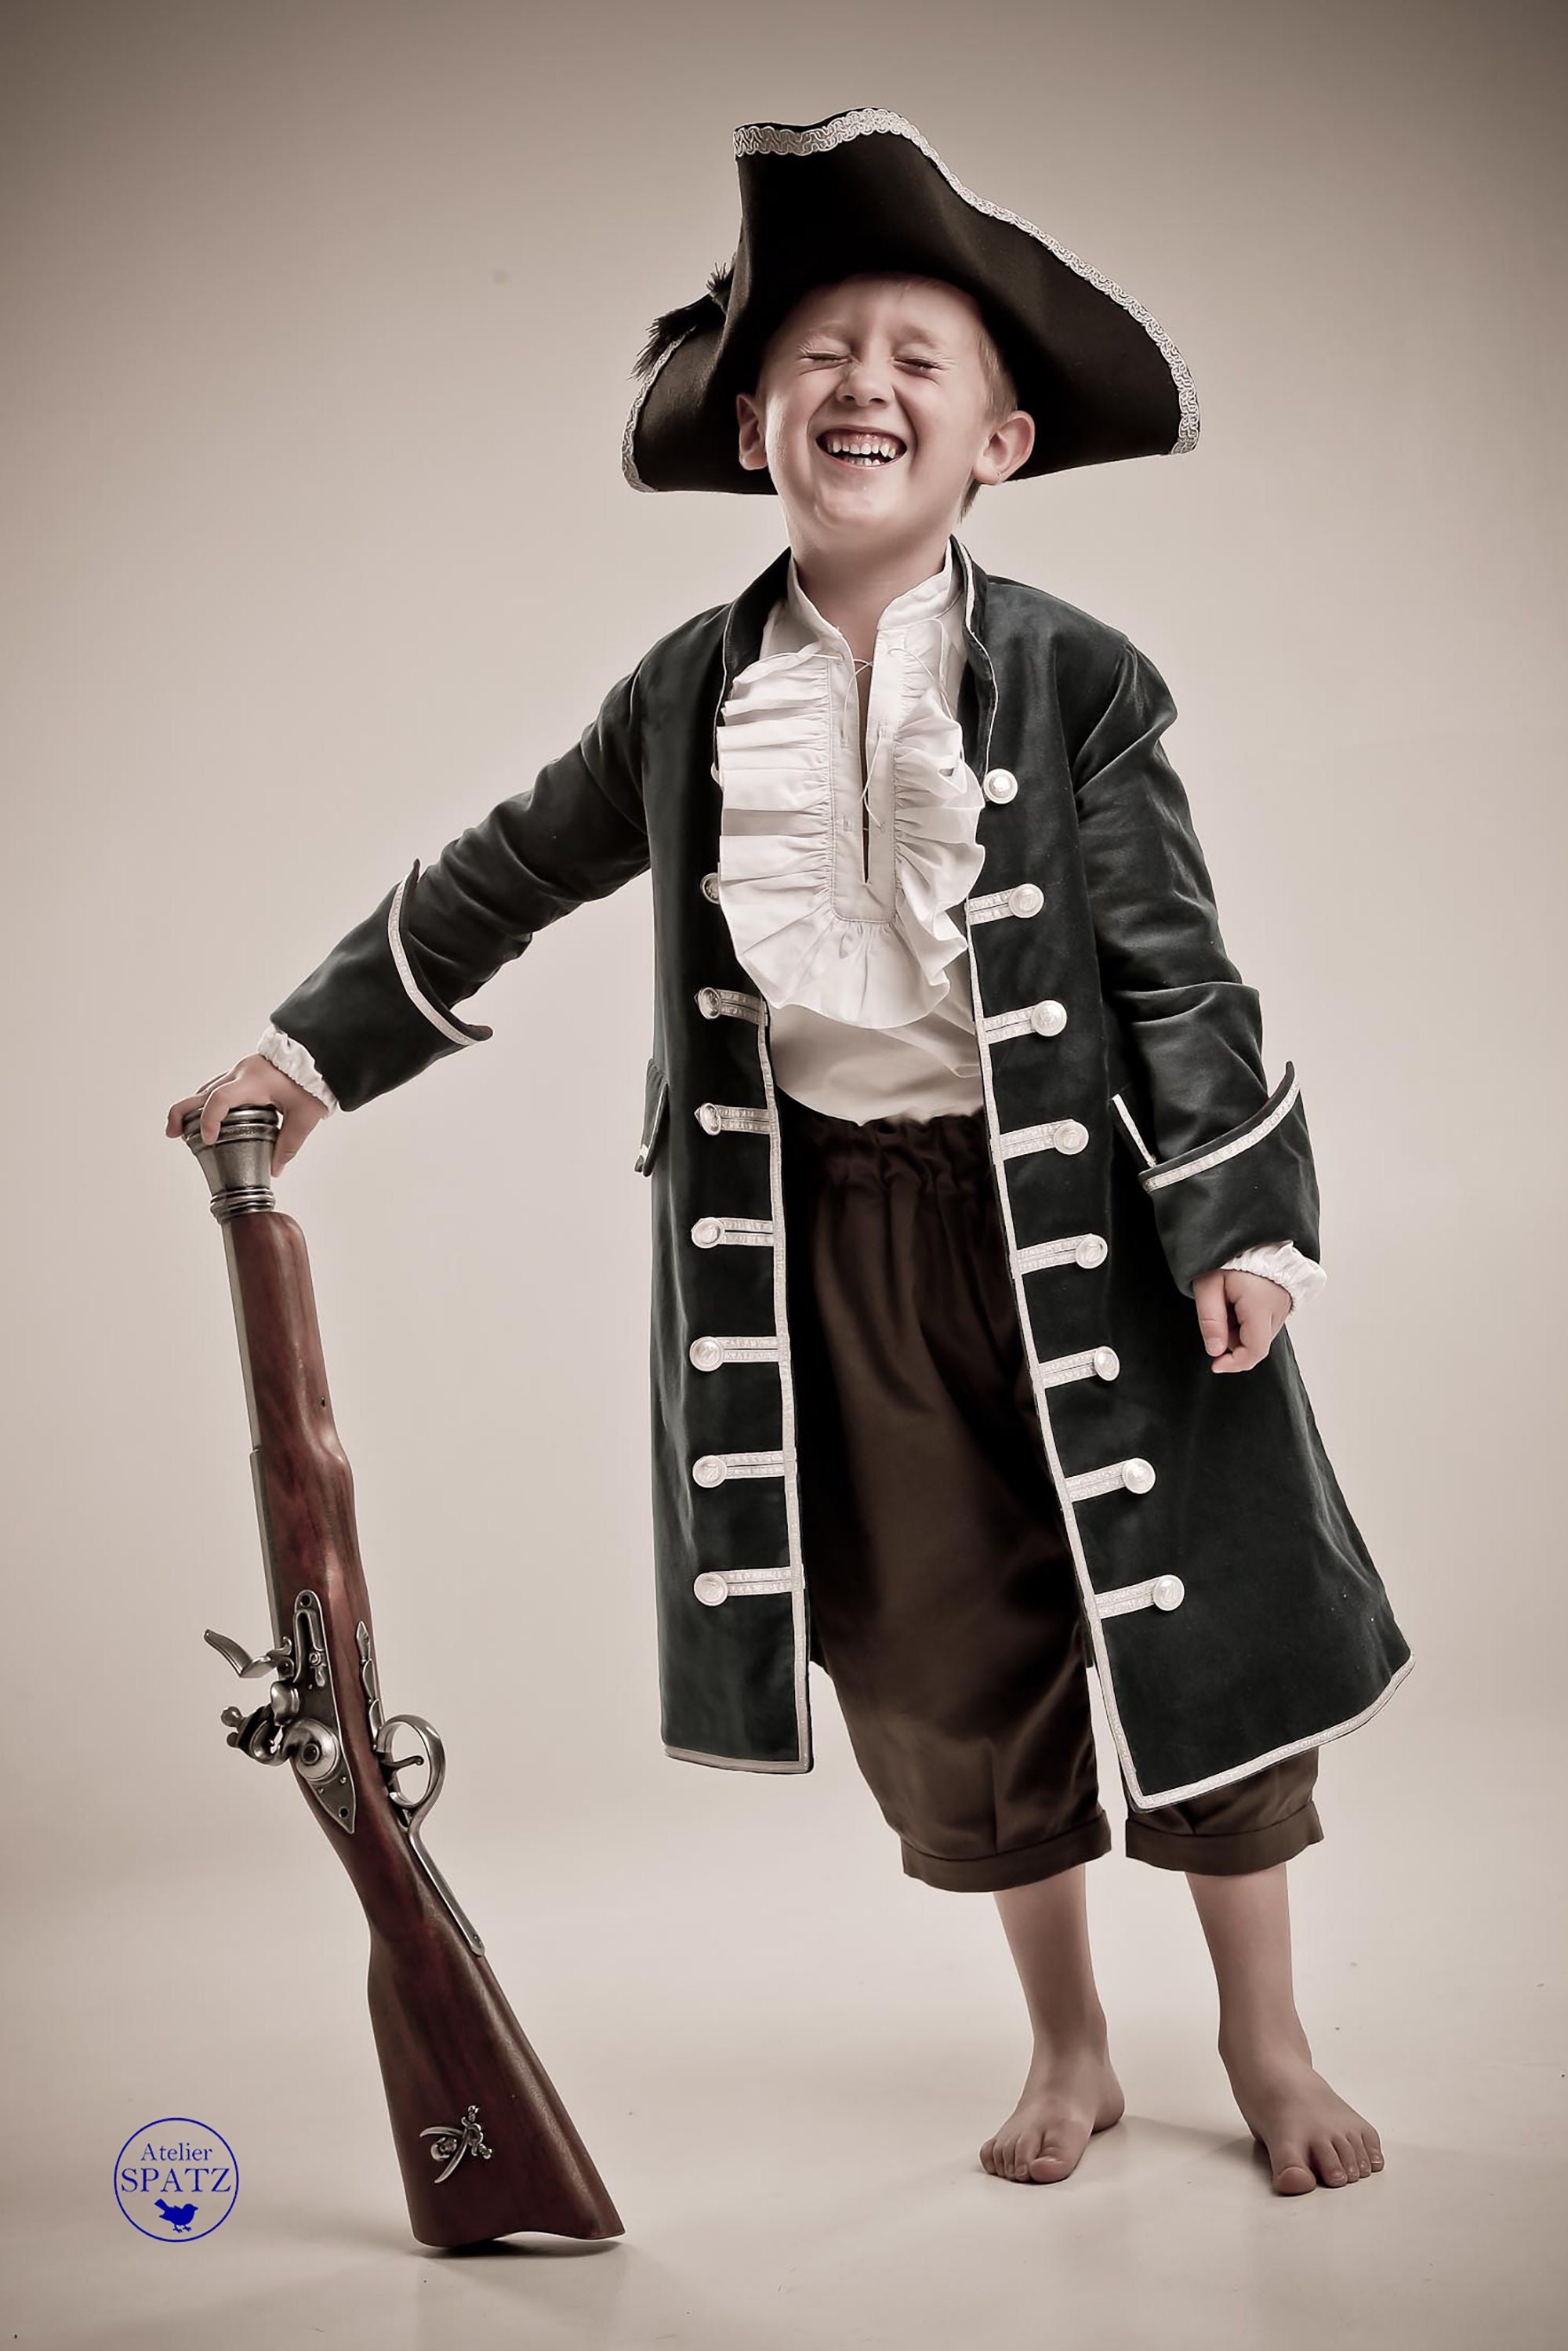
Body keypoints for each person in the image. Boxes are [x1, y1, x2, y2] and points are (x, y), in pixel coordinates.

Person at [167, 107, 1410, 2198]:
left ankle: (1267, 2039)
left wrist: (1236, 1217)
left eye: (920, 359)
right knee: (949, 1660)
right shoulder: (679, 701)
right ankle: (1071, 2043)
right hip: (836, 1248)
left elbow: (1176, 969)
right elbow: (494, 879)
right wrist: (305, 1058)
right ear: (752, 428)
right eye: (822, 355)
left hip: (1092, 1226)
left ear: (1001, 441)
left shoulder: (1077, 677)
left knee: (1194, 1620)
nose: (865, 386)